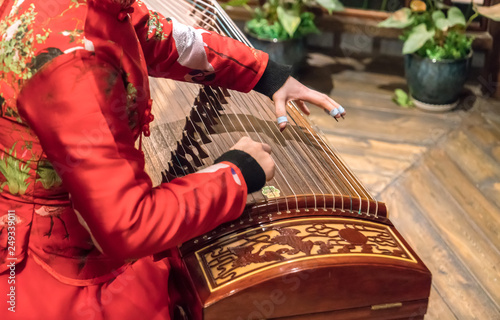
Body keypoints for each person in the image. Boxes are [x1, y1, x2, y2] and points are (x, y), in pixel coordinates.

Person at [0, 0, 345, 319]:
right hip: (50, 261)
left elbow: (151, 36)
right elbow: (128, 226)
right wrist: (237, 174)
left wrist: (265, 73)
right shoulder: (73, 66)